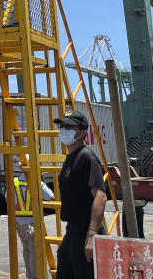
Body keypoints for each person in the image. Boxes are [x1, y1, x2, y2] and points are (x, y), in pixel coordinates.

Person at [54, 109, 107, 279]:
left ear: (82, 133)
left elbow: (100, 195)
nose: (63, 130)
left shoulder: (87, 158)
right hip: (72, 231)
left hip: (85, 232)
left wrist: (91, 235)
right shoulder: (70, 157)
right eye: (61, 126)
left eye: (68, 127)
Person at [13, 162, 56, 279]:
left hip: (20, 223)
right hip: (33, 222)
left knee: (26, 249)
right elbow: (52, 198)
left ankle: (29, 275)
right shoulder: (37, 183)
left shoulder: (14, 182)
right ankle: (34, 276)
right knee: (34, 251)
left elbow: (8, 199)